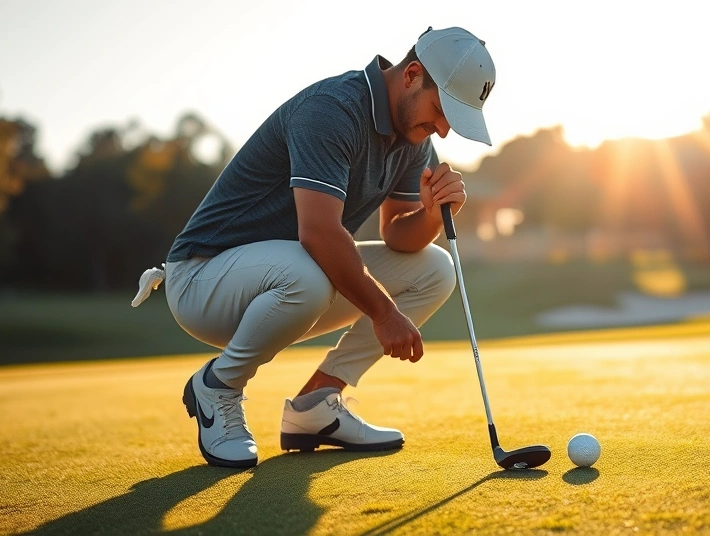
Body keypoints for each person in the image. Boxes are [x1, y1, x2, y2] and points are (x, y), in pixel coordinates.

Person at [131, 26, 496, 468]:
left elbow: (398, 235)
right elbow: (319, 234)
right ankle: (218, 385)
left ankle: (316, 406)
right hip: (202, 278)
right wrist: (384, 314)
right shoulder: (333, 109)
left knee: (434, 269)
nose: (442, 130)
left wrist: (434, 212)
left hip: (291, 278)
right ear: (412, 74)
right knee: (310, 271)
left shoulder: (412, 138)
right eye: (440, 110)